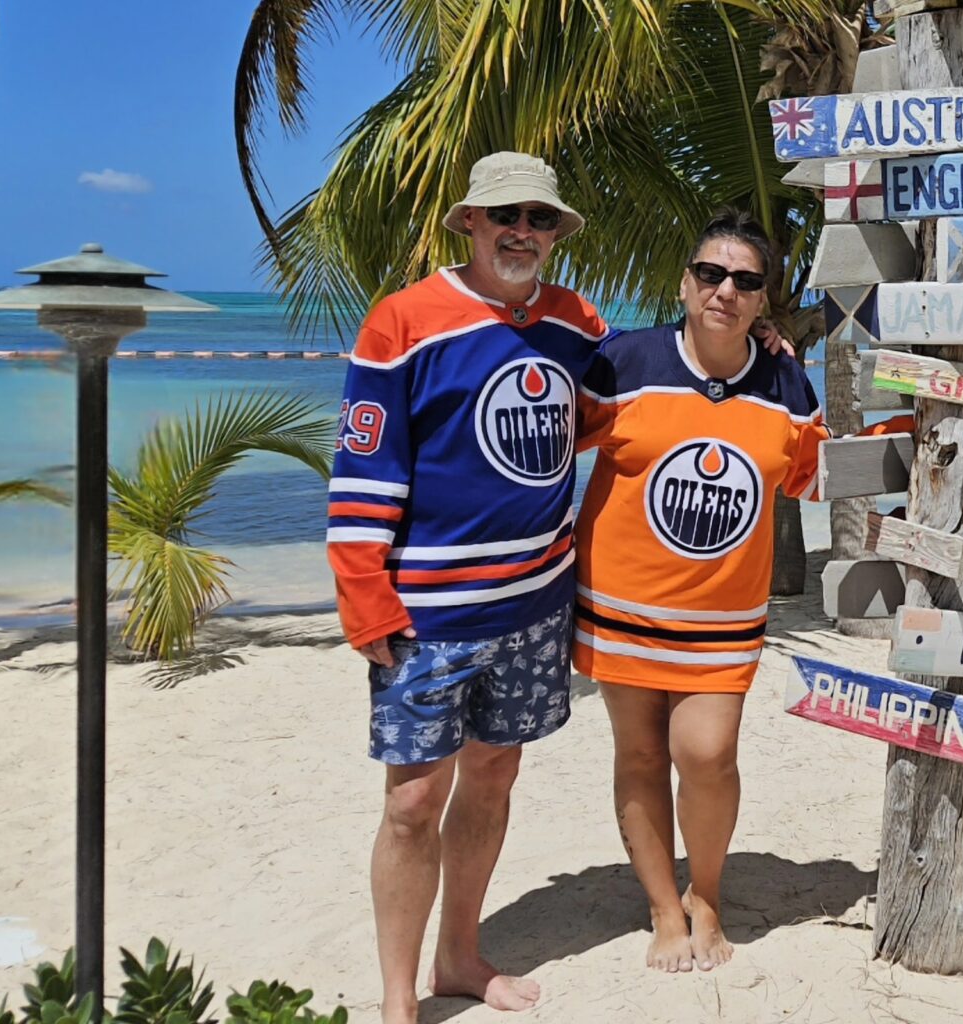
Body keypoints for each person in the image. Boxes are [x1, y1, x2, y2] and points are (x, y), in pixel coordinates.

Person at [326, 151, 604, 1023]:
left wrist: (761, 346)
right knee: (413, 801)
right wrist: (363, 594)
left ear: (556, 232)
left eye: (540, 218)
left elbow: (619, 408)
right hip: (428, 615)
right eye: (506, 216)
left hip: (535, 606)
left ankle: (459, 955)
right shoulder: (403, 321)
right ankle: (398, 1000)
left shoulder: (575, 321)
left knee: (492, 781)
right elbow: (363, 473)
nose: (523, 232)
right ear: (471, 224)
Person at [573, 208, 827, 974]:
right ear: (686, 284)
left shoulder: (784, 381)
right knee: (642, 754)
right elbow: (545, 445)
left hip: (723, 618)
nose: (726, 290)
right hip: (621, 605)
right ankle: (662, 907)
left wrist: (908, 432)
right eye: (711, 274)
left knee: (707, 752)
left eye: (746, 281)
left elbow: (813, 476)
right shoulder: (621, 363)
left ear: (762, 300)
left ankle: (706, 895)